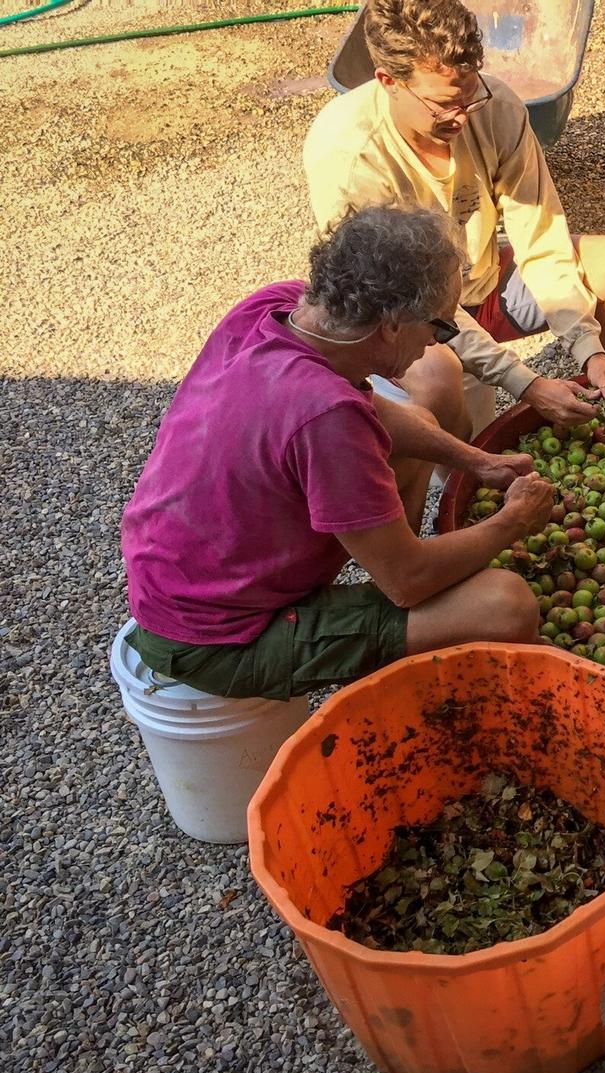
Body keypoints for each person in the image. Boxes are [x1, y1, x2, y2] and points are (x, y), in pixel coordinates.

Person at [121, 204, 553, 701]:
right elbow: (408, 583)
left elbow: (369, 413)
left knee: (418, 422)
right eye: (439, 327)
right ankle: (407, 653)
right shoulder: (325, 418)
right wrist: (515, 520)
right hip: (215, 639)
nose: (439, 343)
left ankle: (392, 583)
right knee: (504, 604)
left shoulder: (278, 308)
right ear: (391, 324)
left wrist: (478, 461)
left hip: (177, 574)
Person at [303, 0, 605, 441]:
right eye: (443, 104)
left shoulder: (497, 109)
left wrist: (591, 352)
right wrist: (524, 382)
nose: (461, 116)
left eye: (470, 95)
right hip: (411, 315)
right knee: (442, 387)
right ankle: (453, 478)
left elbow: (541, 239)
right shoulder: (349, 155)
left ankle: (598, 407)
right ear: (388, 81)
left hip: (484, 282)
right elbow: (402, 303)